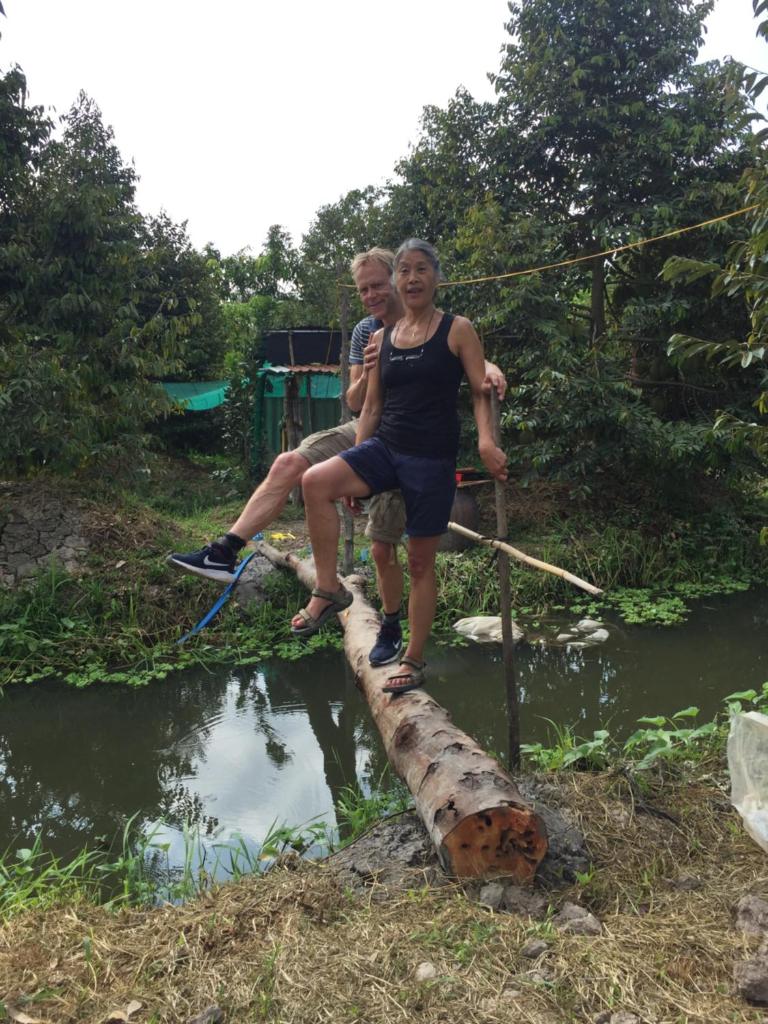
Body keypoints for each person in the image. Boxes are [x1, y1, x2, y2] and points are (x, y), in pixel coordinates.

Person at [168, 246, 508, 669]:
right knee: (302, 473)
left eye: (379, 285)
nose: (372, 295)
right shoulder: (372, 333)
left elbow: (461, 358)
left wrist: (487, 399)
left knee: (403, 555)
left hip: (423, 450)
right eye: (365, 288)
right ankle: (275, 568)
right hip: (377, 437)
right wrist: (365, 385)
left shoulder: (445, 324)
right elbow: (361, 402)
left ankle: (407, 649)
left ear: (417, 279)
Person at [290, 239, 507, 695]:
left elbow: (478, 389)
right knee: (314, 480)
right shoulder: (379, 338)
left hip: (430, 459)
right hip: (386, 448)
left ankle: (414, 658)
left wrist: (486, 441)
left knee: (421, 561)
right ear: (396, 281)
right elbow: (369, 410)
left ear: (435, 277)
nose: (411, 278)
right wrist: (355, 467)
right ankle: (329, 590)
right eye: (404, 270)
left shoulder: (457, 329)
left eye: (421, 269)